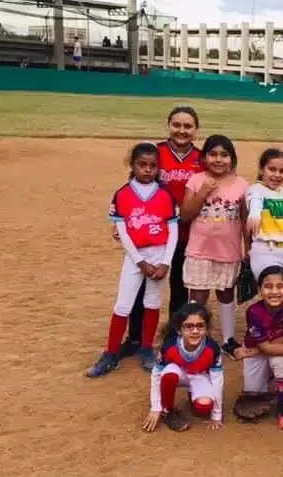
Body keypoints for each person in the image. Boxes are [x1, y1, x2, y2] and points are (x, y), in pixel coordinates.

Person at [87, 143, 179, 378]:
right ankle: (110, 353)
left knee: (152, 302)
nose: (148, 170)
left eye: (153, 166)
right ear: (133, 165)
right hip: (135, 256)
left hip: (159, 253)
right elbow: (123, 233)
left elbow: (173, 230)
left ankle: (147, 348)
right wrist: (140, 262)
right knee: (123, 304)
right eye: (142, 165)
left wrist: (166, 262)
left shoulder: (165, 194)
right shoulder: (123, 194)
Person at [120, 106, 203, 357]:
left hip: (186, 233)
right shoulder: (155, 153)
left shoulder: (201, 158)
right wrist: (122, 220)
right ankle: (135, 337)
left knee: (179, 286)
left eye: (188, 126)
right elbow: (132, 188)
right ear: (168, 125)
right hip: (151, 233)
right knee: (141, 286)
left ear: (196, 130)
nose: (182, 130)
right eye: (176, 125)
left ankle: (173, 335)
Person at [179, 135, 249, 357]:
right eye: (213, 154)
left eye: (224, 155)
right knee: (198, 295)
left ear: (232, 158)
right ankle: (197, 338)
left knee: (226, 293)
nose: (218, 160)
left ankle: (228, 339)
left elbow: (246, 221)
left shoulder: (241, 185)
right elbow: (186, 215)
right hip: (200, 249)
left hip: (228, 250)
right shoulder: (197, 180)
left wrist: (248, 250)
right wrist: (203, 193)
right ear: (204, 157)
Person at [233, 266, 283, 430]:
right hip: (259, 346)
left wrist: (251, 353)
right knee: (254, 391)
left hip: (279, 344)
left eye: (281, 286)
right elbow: (264, 346)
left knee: (280, 361)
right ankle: (273, 379)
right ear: (259, 290)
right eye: (268, 286)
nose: (274, 291)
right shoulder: (253, 311)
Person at [143, 302, 224, 433]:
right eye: (188, 326)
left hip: (199, 376)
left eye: (200, 326)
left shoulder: (212, 348)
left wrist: (216, 415)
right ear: (178, 330)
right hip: (177, 373)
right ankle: (167, 411)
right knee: (169, 374)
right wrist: (156, 408)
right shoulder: (169, 346)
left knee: (204, 407)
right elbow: (156, 375)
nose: (195, 331)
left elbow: (217, 380)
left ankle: (194, 395)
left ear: (207, 328)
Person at [246, 148, 283, 282]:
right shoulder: (256, 189)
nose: (277, 174)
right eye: (272, 169)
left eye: (282, 171)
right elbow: (255, 201)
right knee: (272, 292)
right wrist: (255, 214)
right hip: (265, 251)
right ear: (262, 169)